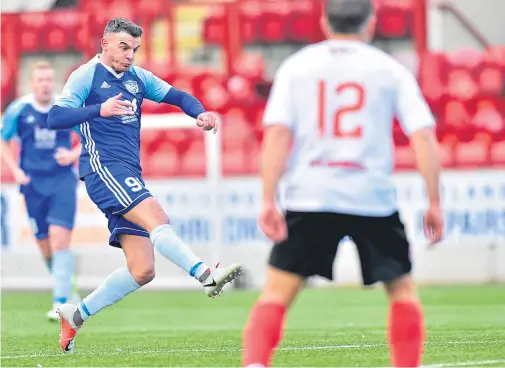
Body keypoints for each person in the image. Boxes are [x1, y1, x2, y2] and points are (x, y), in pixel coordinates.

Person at [241, 0, 444, 367]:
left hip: (310, 196)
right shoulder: (389, 69)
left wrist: (267, 198)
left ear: (324, 22)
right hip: (372, 197)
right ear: (371, 23)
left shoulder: (297, 66)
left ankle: (255, 364)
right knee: (401, 290)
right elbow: (423, 136)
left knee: (277, 291)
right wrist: (434, 201)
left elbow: (277, 135)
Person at [46, 18, 242, 354]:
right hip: (103, 169)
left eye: (134, 49)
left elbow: (177, 95)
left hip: (127, 171)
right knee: (157, 217)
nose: (130, 55)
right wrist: (98, 110)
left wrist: (200, 113)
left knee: (143, 269)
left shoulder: (138, 79)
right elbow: (54, 117)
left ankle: (76, 315)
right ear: (106, 43)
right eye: (123, 47)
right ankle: (206, 276)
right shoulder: (85, 76)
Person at [1, 61, 81, 321]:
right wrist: (15, 170)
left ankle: (60, 302)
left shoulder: (65, 108)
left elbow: (93, 135)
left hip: (62, 182)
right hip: (32, 186)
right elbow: (4, 140)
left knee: (60, 240)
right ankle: (68, 287)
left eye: (49, 79)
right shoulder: (19, 110)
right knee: (45, 247)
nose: (46, 84)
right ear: (31, 84)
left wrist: (73, 154)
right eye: (40, 80)